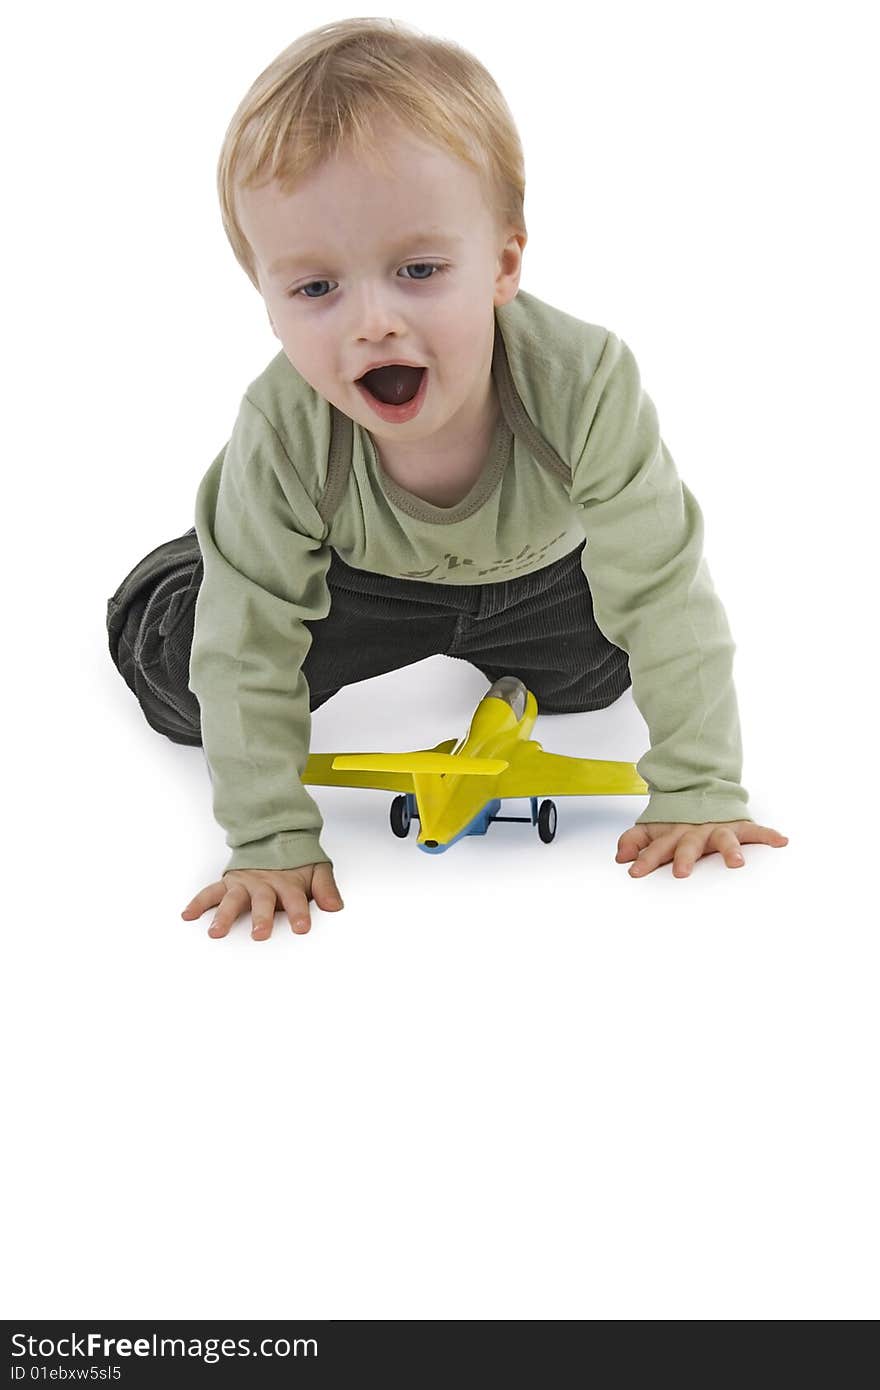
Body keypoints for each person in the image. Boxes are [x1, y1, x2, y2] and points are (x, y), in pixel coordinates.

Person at [106, 17, 788, 941]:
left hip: (539, 576)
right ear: (266, 301)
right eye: (316, 289)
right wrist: (270, 834)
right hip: (353, 579)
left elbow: (661, 586)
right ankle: (206, 556)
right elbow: (251, 648)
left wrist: (701, 783)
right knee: (187, 676)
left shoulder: (581, 381)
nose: (373, 322)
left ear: (503, 262)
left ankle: (483, 640)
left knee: (604, 676)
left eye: (419, 270)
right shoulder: (286, 424)